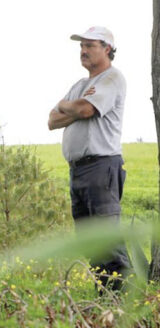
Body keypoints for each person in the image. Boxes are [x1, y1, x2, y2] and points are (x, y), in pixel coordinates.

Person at [48, 26, 131, 291]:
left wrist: (68, 106)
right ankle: (103, 302)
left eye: (90, 45)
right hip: (78, 170)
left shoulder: (111, 79)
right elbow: (52, 120)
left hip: (101, 167)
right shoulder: (81, 85)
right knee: (89, 241)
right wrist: (71, 107)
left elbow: (84, 109)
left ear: (107, 49)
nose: (83, 51)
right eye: (81, 46)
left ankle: (123, 305)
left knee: (107, 239)